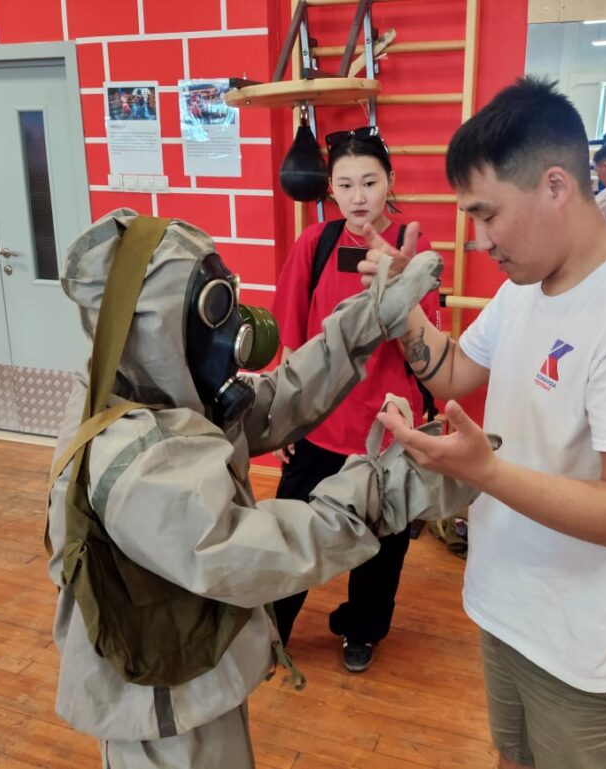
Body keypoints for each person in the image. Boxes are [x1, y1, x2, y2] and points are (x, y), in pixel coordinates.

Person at [362, 77, 606, 769]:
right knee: (511, 757)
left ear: (556, 186)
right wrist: (403, 306)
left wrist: (485, 471)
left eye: (488, 214)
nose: (479, 239)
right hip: (508, 604)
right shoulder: (524, 287)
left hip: (589, 642)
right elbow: (453, 372)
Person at [46, 210, 480, 768]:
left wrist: (369, 318)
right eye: (213, 310)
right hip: (161, 703)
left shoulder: (156, 388)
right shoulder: (131, 455)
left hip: (193, 659)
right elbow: (252, 552)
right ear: (153, 328)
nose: (234, 330)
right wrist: (385, 491)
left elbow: (275, 400)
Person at [270, 126, 441, 673]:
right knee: (291, 534)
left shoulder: (414, 253)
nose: (358, 196)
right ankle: (271, 632)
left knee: (382, 541)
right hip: (319, 423)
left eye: (369, 181)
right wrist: (285, 418)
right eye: (345, 185)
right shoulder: (314, 244)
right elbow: (292, 336)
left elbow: (427, 348)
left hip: (385, 428)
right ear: (330, 189)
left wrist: (398, 284)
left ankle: (362, 628)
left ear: (389, 181)